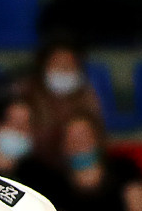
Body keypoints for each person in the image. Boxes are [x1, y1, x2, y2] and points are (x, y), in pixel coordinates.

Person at [16, 38, 104, 173]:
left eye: (69, 64)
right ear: (44, 66)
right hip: (29, 167)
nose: (64, 69)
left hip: (74, 171)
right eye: (58, 63)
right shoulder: (25, 93)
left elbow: (96, 141)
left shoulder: (87, 97)